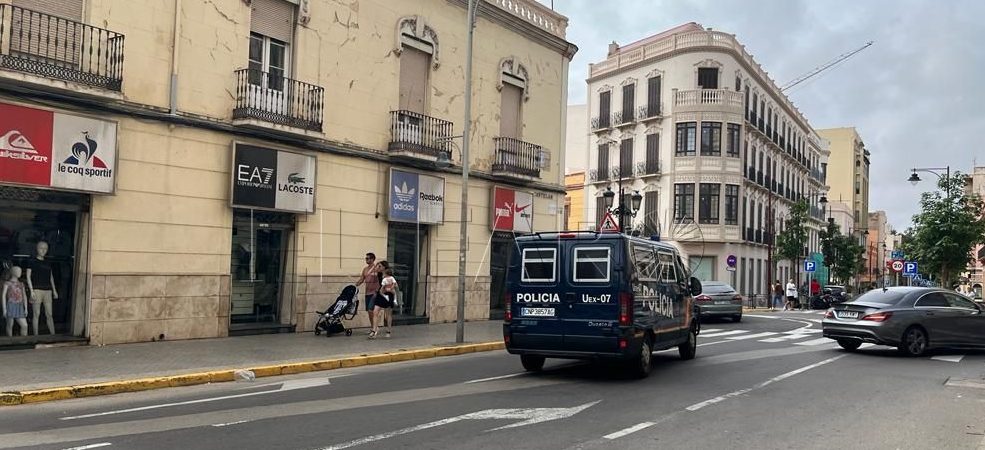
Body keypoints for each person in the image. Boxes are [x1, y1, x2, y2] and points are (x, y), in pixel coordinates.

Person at [355, 252, 381, 332]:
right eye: (366, 258)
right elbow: (362, 279)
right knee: (369, 312)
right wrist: (356, 284)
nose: (366, 260)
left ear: (372, 259)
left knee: (370, 310)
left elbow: (381, 280)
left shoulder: (377, 268)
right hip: (367, 293)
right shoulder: (365, 269)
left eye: (368, 258)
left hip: (375, 293)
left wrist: (378, 291)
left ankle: (375, 328)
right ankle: (373, 327)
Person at [370, 266, 397, 339]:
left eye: (380, 266)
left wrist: (391, 288)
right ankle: (374, 330)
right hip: (380, 295)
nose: (378, 267)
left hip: (388, 294)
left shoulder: (390, 277)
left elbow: (395, 285)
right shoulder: (379, 274)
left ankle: (388, 331)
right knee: (375, 311)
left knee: (388, 314)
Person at [3, 266, 28, 337]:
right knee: (10, 325)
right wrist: (4, 309)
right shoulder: (7, 283)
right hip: (10, 305)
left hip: (19, 306)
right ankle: (9, 342)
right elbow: (3, 296)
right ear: (13, 272)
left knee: (24, 325)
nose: (19, 272)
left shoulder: (21, 284)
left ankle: (23, 341)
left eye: (20, 271)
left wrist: (25, 308)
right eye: (18, 271)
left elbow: (24, 296)